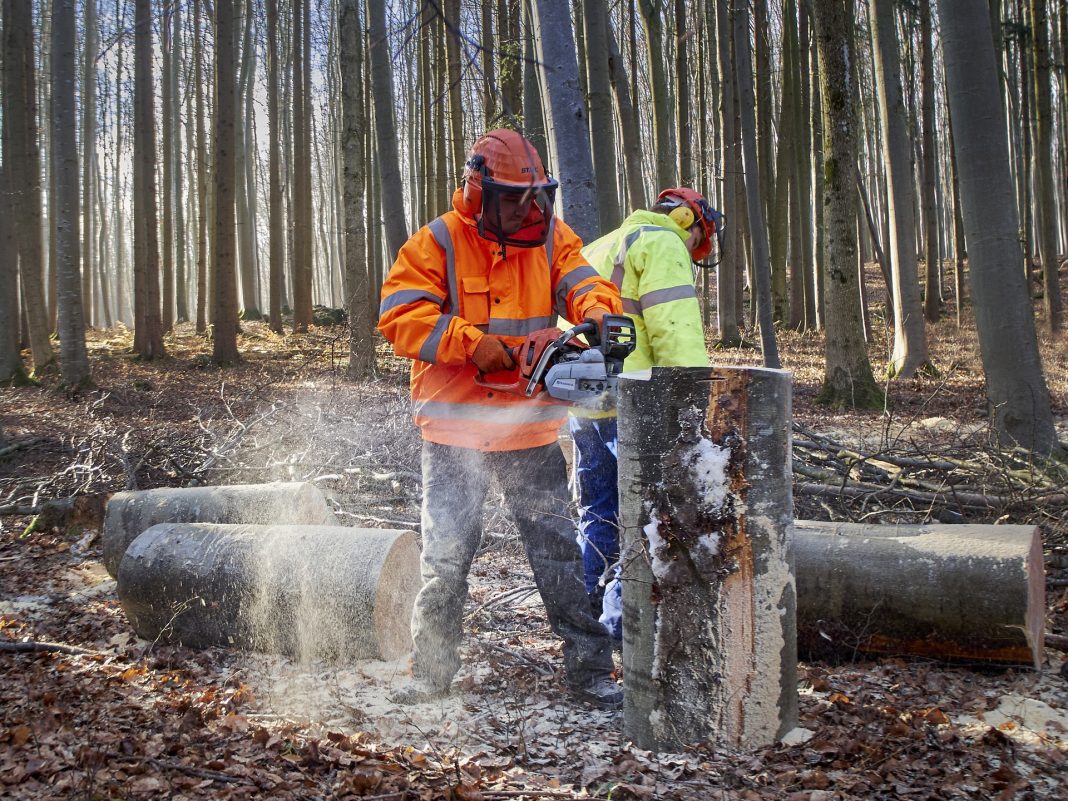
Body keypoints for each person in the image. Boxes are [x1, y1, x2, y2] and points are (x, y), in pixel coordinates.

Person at [377, 129, 625, 709]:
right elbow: (399, 315)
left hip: (527, 429)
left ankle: (590, 671)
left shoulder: (549, 236)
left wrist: (596, 313)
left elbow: (585, 281)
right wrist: (471, 343)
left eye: (533, 196)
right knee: (445, 561)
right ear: (479, 191)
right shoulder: (439, 240)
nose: (524, 209)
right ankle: (430, 673)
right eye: (513, 198)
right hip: (454, 434)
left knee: (557, 552)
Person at [570, 188, 720, 639]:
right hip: (636, 399)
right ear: (686, 220)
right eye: (696, 241)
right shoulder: (662, 241)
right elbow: (675, 330)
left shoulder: (600, 245)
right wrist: (692, 400)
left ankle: (581, 615)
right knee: (645, 513)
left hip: (584, 398)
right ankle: (622, 626)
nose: (691, 249)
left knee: (598, 508)